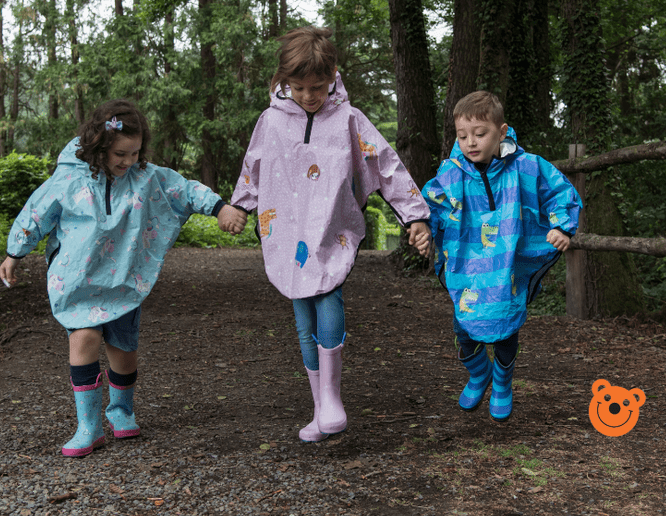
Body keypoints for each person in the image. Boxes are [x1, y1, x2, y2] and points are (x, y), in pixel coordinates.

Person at [218, 26, 431, 442]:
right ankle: (320, 409)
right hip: (284, 228)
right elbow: (254, 164)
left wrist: (414, 215)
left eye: (317, 86)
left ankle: (332, 399)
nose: (308, 95)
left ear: (334, 75)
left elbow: (386, 165)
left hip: (330, 225)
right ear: (283, 82)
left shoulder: (349, 119)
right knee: (301, 310)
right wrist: (240, 204)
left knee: (327, 291)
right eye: (297, 87)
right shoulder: (271, 121)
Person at [0, 98, 246, 457]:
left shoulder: (145, 177)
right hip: (79, 280)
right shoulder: (68, 179)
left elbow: (184, 189)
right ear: (100, 146)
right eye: (120, 154)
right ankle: (88, 426)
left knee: (123, 350)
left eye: (135, 153)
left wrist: (219, 207)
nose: (128, 161)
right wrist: (15, 252)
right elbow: (37, 212)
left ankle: (121, 409)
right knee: (83, 339)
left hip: (125, 280)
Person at [422, 91, 582, 422]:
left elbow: (560, 191)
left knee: (505, 326)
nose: (470, 142)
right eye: (462, 135)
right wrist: (423, 228)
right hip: (466, 264)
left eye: (480, 134)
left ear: (502, 131)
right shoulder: (451, 173)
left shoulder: (528, 166)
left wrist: (562, 227)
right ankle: (480, 375)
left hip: (508, 265)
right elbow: (430, 205)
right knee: (464, 327)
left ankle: (503, 382)